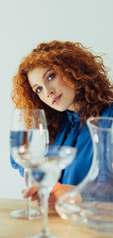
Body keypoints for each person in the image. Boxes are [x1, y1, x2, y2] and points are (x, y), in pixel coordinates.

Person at [10, 40, 113, 210]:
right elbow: (22, 160)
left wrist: (75, 195)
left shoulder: (109, 119)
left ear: (73, 70)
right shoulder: (56, 126)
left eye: (51, 76)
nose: (48, 91)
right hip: (60, 224)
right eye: (38, 89)